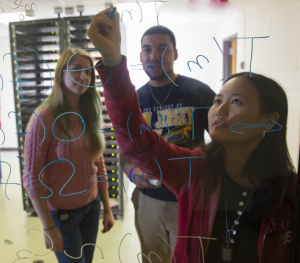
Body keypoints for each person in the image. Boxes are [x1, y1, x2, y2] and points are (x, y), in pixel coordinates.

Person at [87, 7, 297, 263]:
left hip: (180, 201)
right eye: (218, 101)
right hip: (152, 196)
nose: (220, 109)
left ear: (268, 120)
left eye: (237, 101)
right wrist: (111, 60)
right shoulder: (193, 170)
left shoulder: (288, 191)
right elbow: (135, 145)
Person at [119, 25, 215, 263]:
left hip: (188, 197)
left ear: (175, 53)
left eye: (163, 49)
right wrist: (132, 173)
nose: (154, 56)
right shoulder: (134, 101)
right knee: (153, 258)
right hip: (148, 199)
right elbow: (124, 153)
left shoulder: (199, 93)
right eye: (147, 50)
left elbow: (224, 140)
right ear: (140, 56)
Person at [22, 48, 115, 263]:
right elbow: (31, 177)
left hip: (91, 209)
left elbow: (98, 164)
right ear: (61, 73)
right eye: (76, 70)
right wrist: (49, 227)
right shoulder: (44, 118)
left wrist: (106, 208)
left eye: (88, 72)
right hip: (63, 217)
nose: (83, 76)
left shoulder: (89, 111)